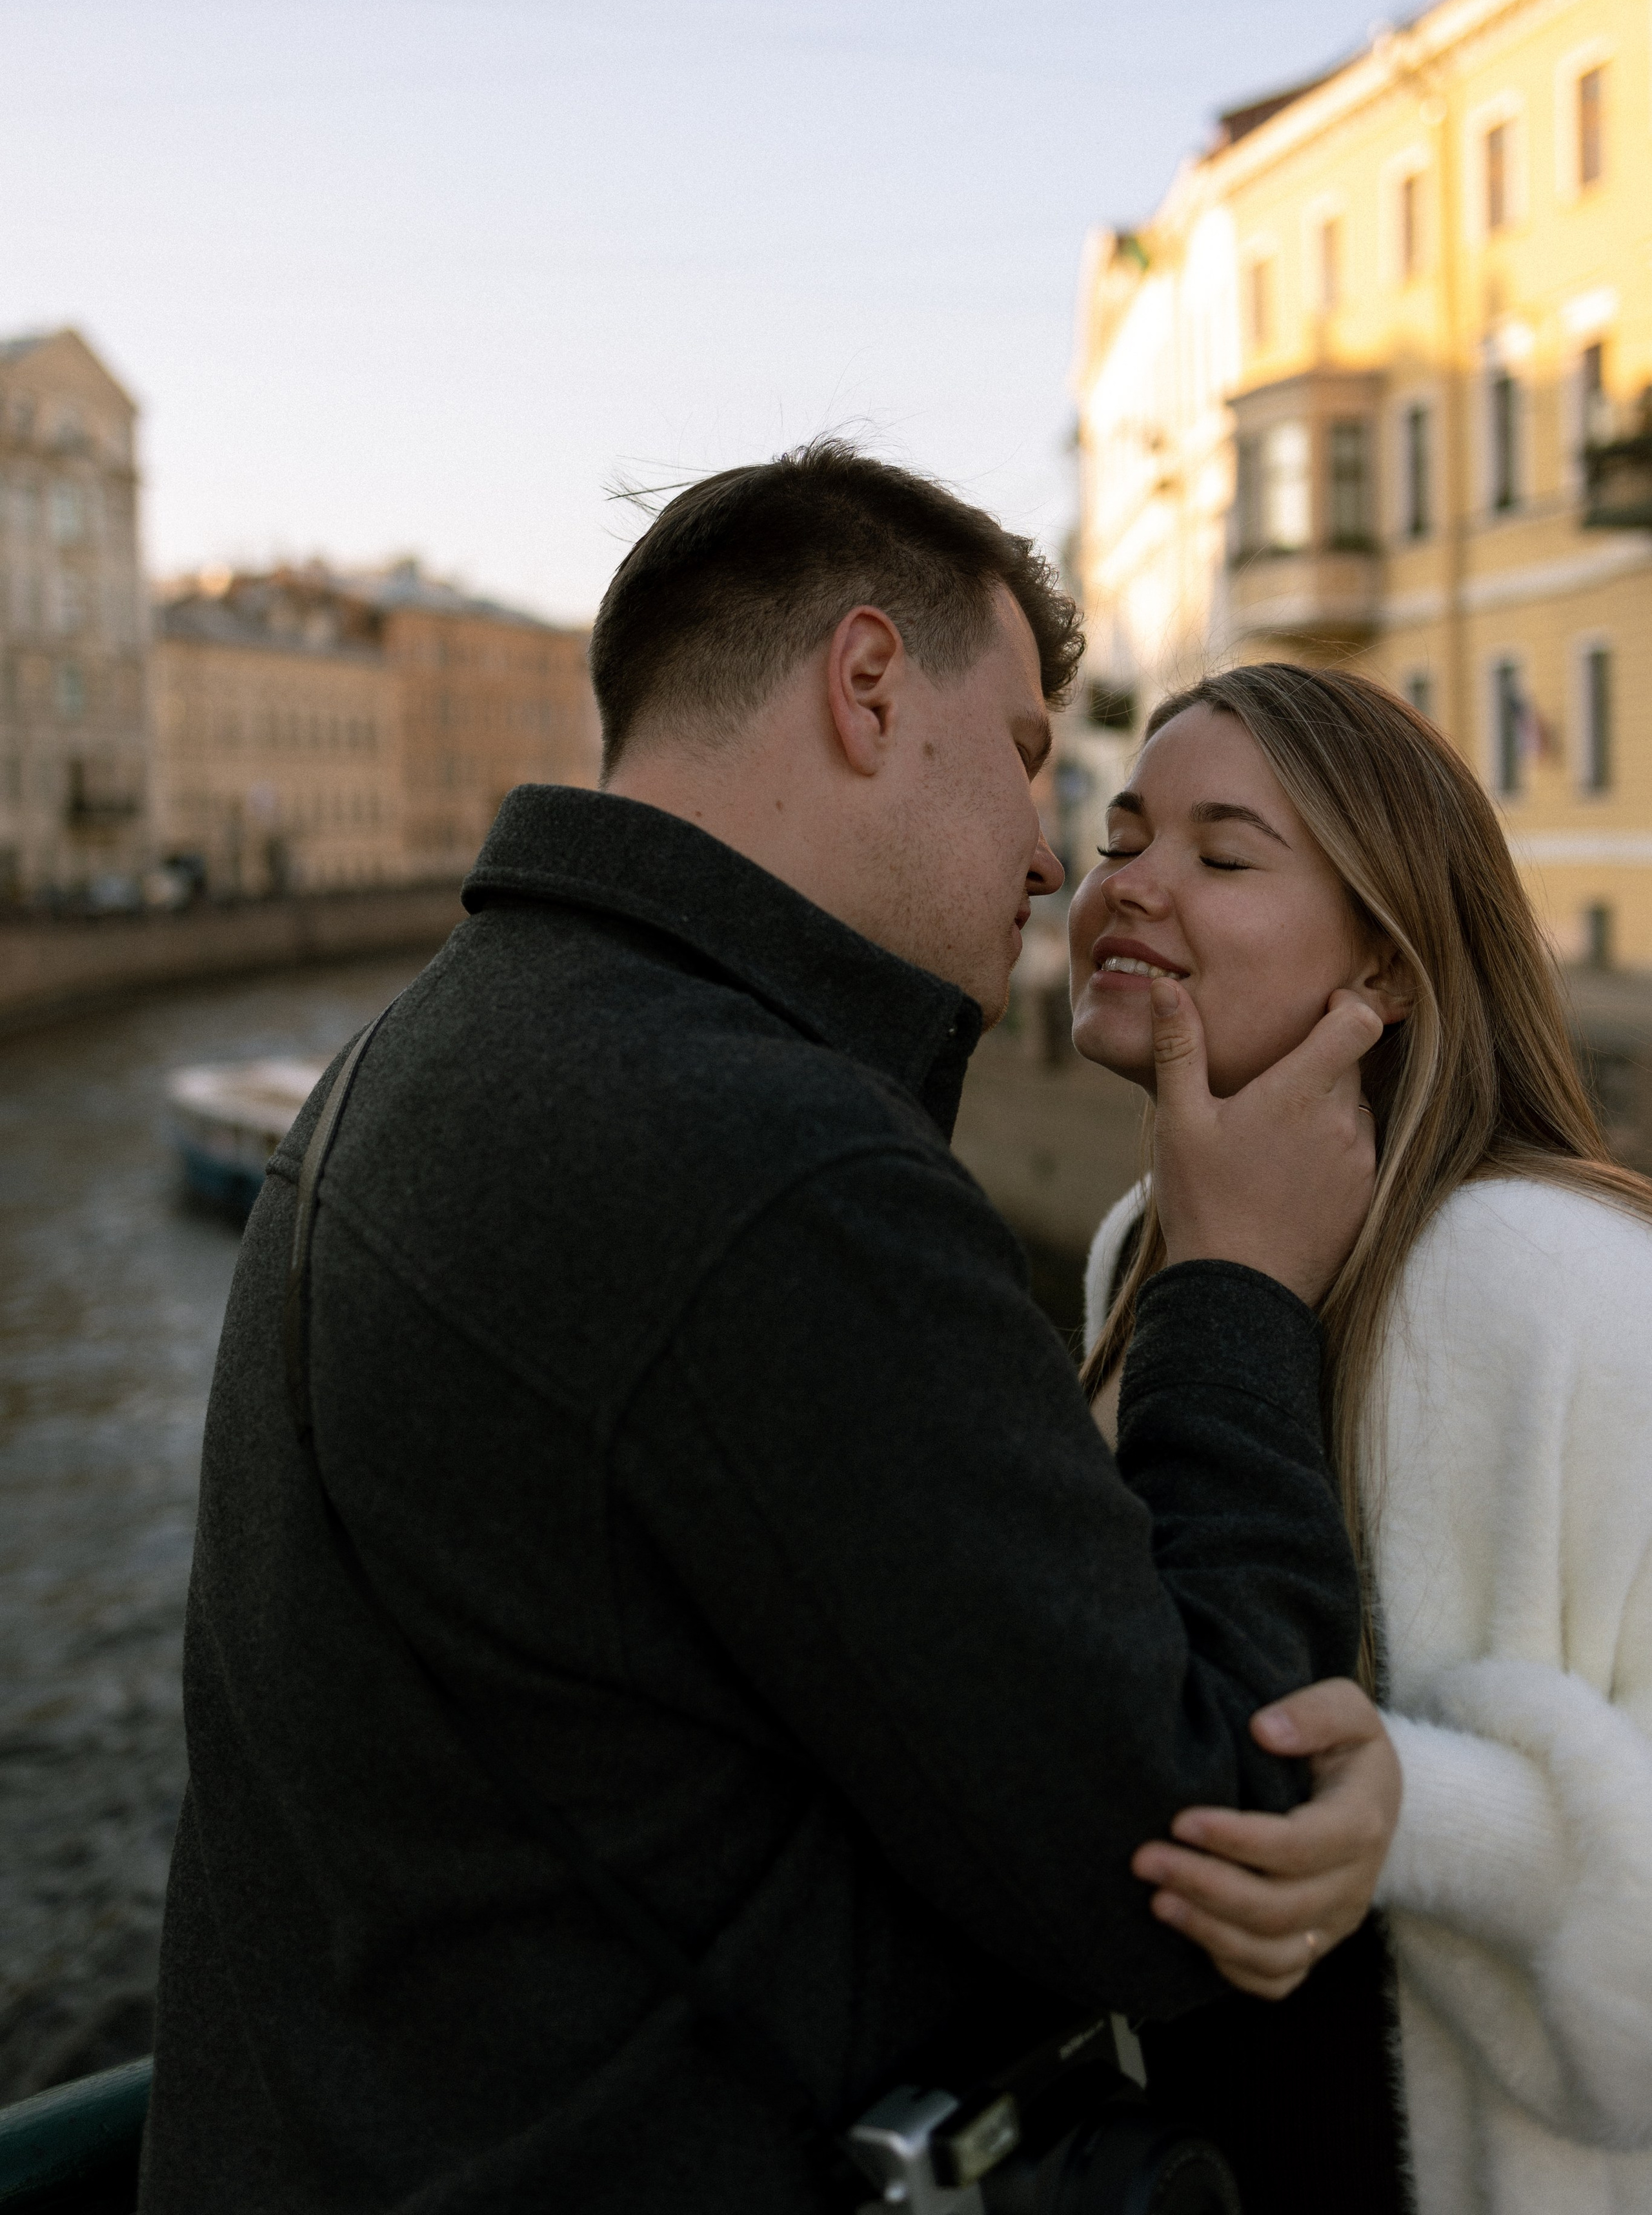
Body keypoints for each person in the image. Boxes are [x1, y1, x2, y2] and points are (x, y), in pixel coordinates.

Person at [141, 448, 1400, 2215]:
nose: (1049, 858)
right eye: (1022, 754)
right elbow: (1205, 1836)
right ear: (867, 685)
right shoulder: (768, 1156)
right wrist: (1239, 1278)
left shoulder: (421, 1057)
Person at [1074, 660, 1652, 2215]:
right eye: (1121, 838)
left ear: (1384, 964)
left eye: (1219, 853)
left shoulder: (1568, 1285)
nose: (1128, 884)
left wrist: (1421, 1812)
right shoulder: (1147, 1244)